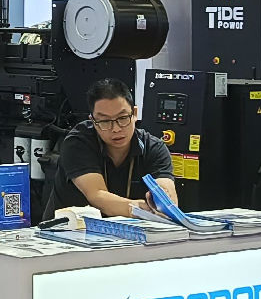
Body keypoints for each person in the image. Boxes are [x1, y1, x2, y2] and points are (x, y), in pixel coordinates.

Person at [46, 79, 176, 219]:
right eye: (105, 121)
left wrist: (163, 199)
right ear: (93, 121)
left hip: (132, 229)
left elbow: (167, 192)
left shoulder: (153, 147)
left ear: (135, 113)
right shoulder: (78, 143)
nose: (116, 129)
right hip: (69, 228)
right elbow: (97, 195)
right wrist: (141, 209)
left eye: (123, 118)